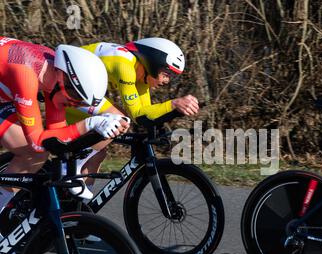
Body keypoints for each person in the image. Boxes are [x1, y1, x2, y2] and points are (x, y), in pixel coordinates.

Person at [0, 36, 130, 224]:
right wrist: (90, 123)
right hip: (9, 85)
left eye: (79, 102)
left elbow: (57, 135)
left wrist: (93, 134)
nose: (73, 105)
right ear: (65, 82)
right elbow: (37, 141)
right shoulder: (26, 74)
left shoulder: (55, 73)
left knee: (36, 155)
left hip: (4, 95)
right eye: (75, 98)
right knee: (35, 150)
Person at [64, 38, 200, 198]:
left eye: (171, 76)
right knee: (117, 118)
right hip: (66, 87)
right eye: (166, 74)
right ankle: (68, 169)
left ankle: (76, 207)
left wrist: (171, 115)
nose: (167, 81)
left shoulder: (142, 76)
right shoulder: (125, 67)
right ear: (153, 63)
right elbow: (137, 116)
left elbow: (145, 114)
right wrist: (174, 104)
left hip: (80, 92)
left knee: (98, 154)